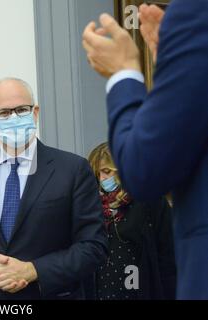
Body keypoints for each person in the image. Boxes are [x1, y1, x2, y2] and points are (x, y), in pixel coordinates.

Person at [82, 1, 208, 299]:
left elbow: (145, 168)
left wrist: (123, 74)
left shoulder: (195, 12)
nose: (108, 177)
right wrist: (175, 73)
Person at [0, 77, 107, 300]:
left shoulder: (73, 169)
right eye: (3, 113)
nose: (14, 118)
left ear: (35, 113)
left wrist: (33, 270)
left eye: (21, 109)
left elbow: (93, 246)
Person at [88, 142, 176, 300]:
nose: (102, 179)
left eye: (107, 171)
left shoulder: (150, 200)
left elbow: (167, 256)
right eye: (98, 174)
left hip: (139, 290)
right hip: (101, 290)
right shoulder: (91, 206)